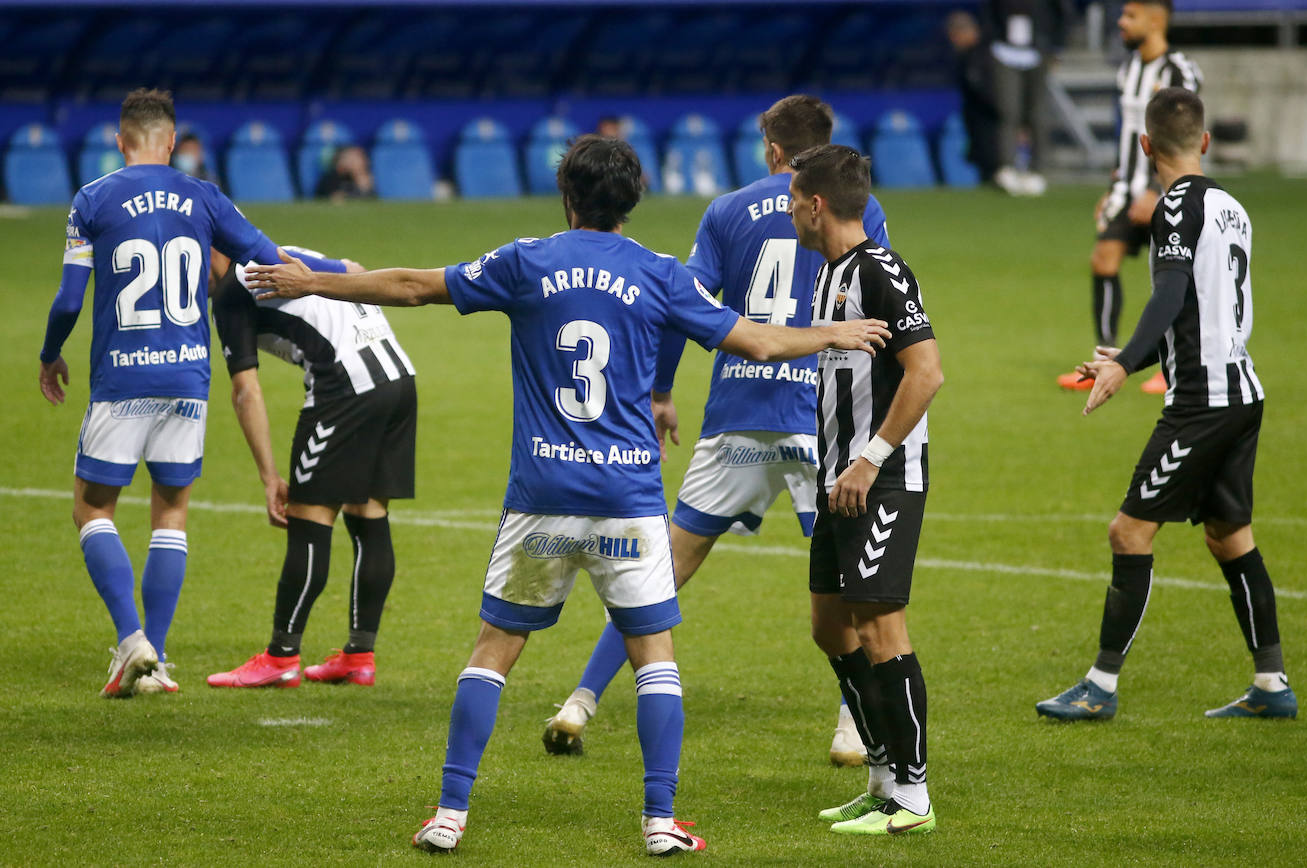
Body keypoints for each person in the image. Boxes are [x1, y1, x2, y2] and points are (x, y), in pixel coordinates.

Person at [245, 135, 890, 856]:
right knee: (655, 654)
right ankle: (658, 821)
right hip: (627, 498)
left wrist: (314, 282)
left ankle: (451, 812)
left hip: (542, 497)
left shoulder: (526, 261)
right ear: (632, 201)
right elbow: (757, 343)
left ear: (567, 197)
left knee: (495, 649)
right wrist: (834, 331)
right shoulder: (659, 273)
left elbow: (412, 286)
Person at [542, 95, 890, 770]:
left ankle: (580, 700)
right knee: (850, 577)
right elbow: (871, 295)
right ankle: (853, 725)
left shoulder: (727, 209)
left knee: (662, 570)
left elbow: (686, 308)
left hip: (738, 411)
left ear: (772, 150)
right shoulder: (857, 206)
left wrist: (663, 391)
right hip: (820, 414)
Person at [1036, 88, 1295, 722]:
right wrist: (1129, 355)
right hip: (1242, 392)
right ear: (1204, 142)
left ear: (1145, 145)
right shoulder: (1234, 207)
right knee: (1230, 536)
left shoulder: (1175, 206)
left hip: (1203, 403)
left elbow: (1171, 294)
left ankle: (1099, 686)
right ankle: (1271, 684)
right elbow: (1199, 313)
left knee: (1128, 531)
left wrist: (1124, 363)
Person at [36, 88, 300, 697]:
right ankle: (155, 658)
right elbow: (266, 260)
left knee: (92, 507)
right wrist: (336, 276)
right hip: (188, 376)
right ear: (173, 141)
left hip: (122, 377)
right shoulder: (204, 195)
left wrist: (51, 355)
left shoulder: (92, 198)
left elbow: (71, 298)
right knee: (171, 511)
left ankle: (132, 641)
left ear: (121, 141)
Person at [789, 145, 945, 836]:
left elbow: (926, 373)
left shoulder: (880, 269)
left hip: (881, 479)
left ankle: (913, 796)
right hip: (837, 481)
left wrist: (871, 457)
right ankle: (881, 776)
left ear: (816, 205)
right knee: (830, 625)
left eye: (794, 199)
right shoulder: (829, 275)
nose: (790, 210)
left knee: (882, 627)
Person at [204, 246, 417, 689]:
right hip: (397, 376)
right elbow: (357, 269)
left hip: (344, 389)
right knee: (368, 513)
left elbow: (247, 391)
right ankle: (359, 655)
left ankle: (281, 655)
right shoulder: (283, 251)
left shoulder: (229, 292)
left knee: (308, 520)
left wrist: (268, 477)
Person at [1059, 0, 1199, 393]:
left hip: (1169, 191)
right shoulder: (1128, 69)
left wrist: (1158, 190)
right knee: (1103, 259)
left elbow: (1184, 136)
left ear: (1156, 20)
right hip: (1129, 189)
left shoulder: (1180, 71)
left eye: (1130, 15)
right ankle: (1104, 361)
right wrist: (1115, 186)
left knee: (1170, 278)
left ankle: (1171, 366)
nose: (1121, 22)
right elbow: (1128, 138)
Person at [982, 0, 1070, 196]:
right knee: (1008, 110)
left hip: (1038, 50)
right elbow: (988, 12)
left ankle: (1037, 169)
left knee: (1037, 113)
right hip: (1004, 50)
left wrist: (1056, 46)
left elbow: (1063, 13)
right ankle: (1007, 167)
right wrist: (991, 41)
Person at [946, 11, 1001, 185]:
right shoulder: (968, 56)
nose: (953, 41)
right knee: (984, 167)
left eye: (954, 36)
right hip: (978, 120)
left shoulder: (985, 54)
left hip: (990, 121)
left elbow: (989, 91)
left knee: (994, 165)